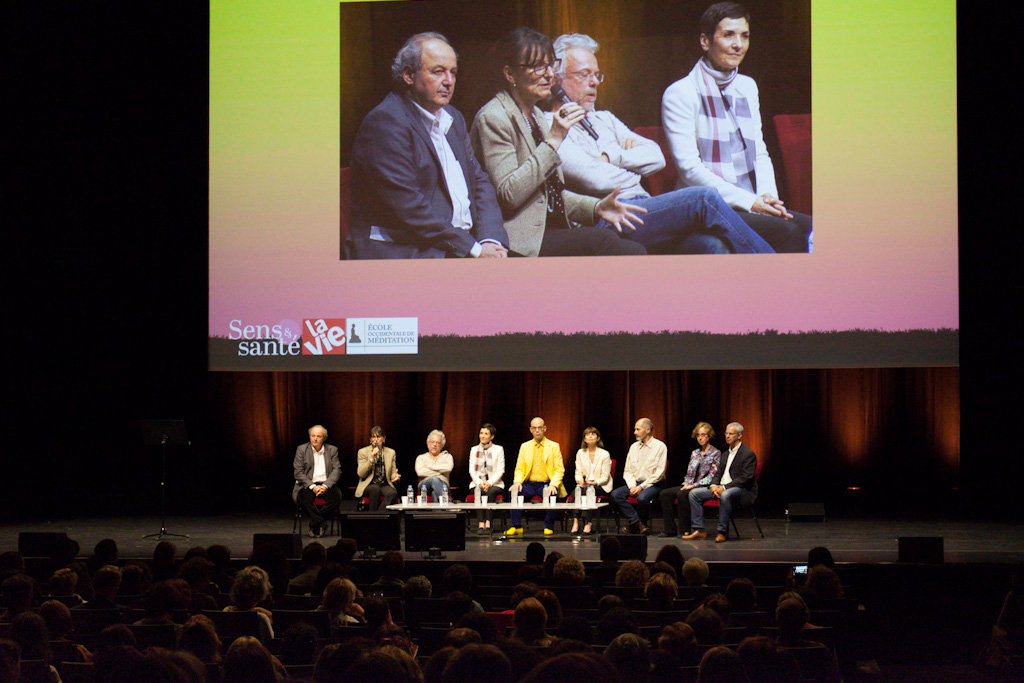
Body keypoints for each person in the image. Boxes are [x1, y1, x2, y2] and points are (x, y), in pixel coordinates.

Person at [549, 33, 774, 255]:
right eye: (584, 74)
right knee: (704, 198)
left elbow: (657, 157)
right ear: (557, 79)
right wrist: (636, 169)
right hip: (608, 218)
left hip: (646, 209)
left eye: (597, 75)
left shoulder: (604, 118)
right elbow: (596, 179)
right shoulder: (550, 126)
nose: (594, 82)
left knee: (712, 245)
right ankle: (773, 269)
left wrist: (611, 157)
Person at [470, 27, 648, 257]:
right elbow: (508, 195)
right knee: (605, 241)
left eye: (549, 65)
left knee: (636, 249)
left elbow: (551, 193)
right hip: (517, 235)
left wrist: (596, 207)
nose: (549, 75)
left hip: (550, 225)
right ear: (510, 73)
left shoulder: (534, 114)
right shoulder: (494, 117)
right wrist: (553, 140)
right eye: (537, 67)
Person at [662, 2, 812, 253]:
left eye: (745, 36)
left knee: (810, 228)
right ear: (705, 41)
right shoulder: (680, 93)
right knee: (786, 231)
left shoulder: (747, 86)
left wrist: (767, 197)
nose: (738, 45)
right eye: (728, 35)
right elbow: (689, 170)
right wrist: (751, 202)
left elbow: (759, 152)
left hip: (751, 199)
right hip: (706, 206)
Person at [348, 32, 509, 259]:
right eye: (438, 71)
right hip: (407, 250)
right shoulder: (386, 122)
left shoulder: (453, 117)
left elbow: (479, 180)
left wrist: (489, 239)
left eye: (453, 72)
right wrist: (475, 250)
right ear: (408, 75)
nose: (449, 81)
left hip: (456, 244)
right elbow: (411, 208)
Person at [684, 422, 757, 542]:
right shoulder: (725, 454)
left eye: (731, 434)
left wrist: (723, 487)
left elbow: (745, 478)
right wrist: (713, 485)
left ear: (739, 436)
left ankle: (722, 532)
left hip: (741, 489)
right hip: (721, 487)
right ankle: (699, 530)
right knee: (694, 494)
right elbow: (718, 473)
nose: (727, 436)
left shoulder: (748, 454)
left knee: (725, 494)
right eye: (726, 433)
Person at [659, 422, 721, 538]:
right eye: (698, 435)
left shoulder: (715, 453)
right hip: (690, 485)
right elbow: (689, 473)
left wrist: (692, 486)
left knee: (683, 494)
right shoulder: (695, 453)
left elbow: (712, 476)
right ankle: (670, 530)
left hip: (704, 487)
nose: (700, 437)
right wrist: (686, 484)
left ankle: (685, 530)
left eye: (703, 434)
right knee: (665, 494)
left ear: (709, 436)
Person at [507, 417, 567, 535]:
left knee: (552, 493)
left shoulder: (553, 446)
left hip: (546, 484)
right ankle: (517, 525)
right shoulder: (525, 446)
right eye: (534, 428)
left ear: (545, 428)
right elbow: (519, 468)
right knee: (514, 491)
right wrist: (517, 482)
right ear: (531, 430)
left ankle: (548, 526)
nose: (537, 430)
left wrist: (553, 484)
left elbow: (559, 469)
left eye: (540, 428)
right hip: (529, 484)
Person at [610, 419, 667, 534]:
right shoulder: (634, 447)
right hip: (635, 483)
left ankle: (636, 526)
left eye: (638, 429)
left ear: (647, 430)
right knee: (616, 494)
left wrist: (641, 487)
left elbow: (659, 473)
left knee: (642, 497)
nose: (635, 432)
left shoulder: (660, 446)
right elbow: (627, 471)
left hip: (653, 484)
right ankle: (638, 523)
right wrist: (632, 486)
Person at [293, 424, 342, 538]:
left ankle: (315, 523)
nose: (315, 439)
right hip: (307, 484)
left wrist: (325, 486)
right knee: (304, 499)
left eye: (318, 436)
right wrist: (313, 487)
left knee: (336, 498)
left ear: (324, 438)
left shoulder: (332, 450)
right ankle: (322, 523)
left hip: (326, 484)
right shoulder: (302, 449)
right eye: (313, 436)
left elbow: (337, 470)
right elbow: (298, 472)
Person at [571, 427, 612, 535]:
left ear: (598, 438)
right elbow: (578, 472)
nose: (590, 436)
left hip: (600, 485)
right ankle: (576, 520)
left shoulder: (604, 454)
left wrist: (593, 483)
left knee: (587, 492)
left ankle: (587, 522)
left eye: (593, 434)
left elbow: (605, 476)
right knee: (576, 491)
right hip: (585, 484)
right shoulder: (580, 453)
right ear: (584, 439)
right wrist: (580, 481)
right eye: (587, 434)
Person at [468, 423, 505, 532]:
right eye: (481, 433)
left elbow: (500, 470)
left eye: (486, 434)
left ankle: (488, 522)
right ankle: (481, 522)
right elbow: (471, 470)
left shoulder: (498, 449)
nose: (482, 436)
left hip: (495, 483)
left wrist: (489, 483)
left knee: (490, 491)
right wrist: (480, 482)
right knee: (478, 490)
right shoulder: (474, 450)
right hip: (477, 483)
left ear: (491, 437)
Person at [355, 426, 402, 511]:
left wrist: (395, 477)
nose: (376, 440)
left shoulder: (391, 452)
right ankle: (374, 517)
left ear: (383, 439)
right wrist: (371, 460)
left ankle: (378, 515)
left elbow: (392, 473)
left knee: (392, 493)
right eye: (373, 437)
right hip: (368, 484)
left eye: (378, 437)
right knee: (375, 489)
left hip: (383, 484)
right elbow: (361, 473)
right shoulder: (362, 452)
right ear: (370, 440)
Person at [415, 430, 455, 501]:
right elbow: (420, 472)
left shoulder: (447, 457)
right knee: (434, 479)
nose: (434, 444)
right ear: (428, 443)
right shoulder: (421, 458)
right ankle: (448, 505)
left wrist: (429, 467)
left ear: (441, 445)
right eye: (432, 442)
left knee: (435, 492)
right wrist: (440, 473)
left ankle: (437, 512)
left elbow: (448, 468)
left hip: (443, 485)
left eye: (438, 442)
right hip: (424, 485)